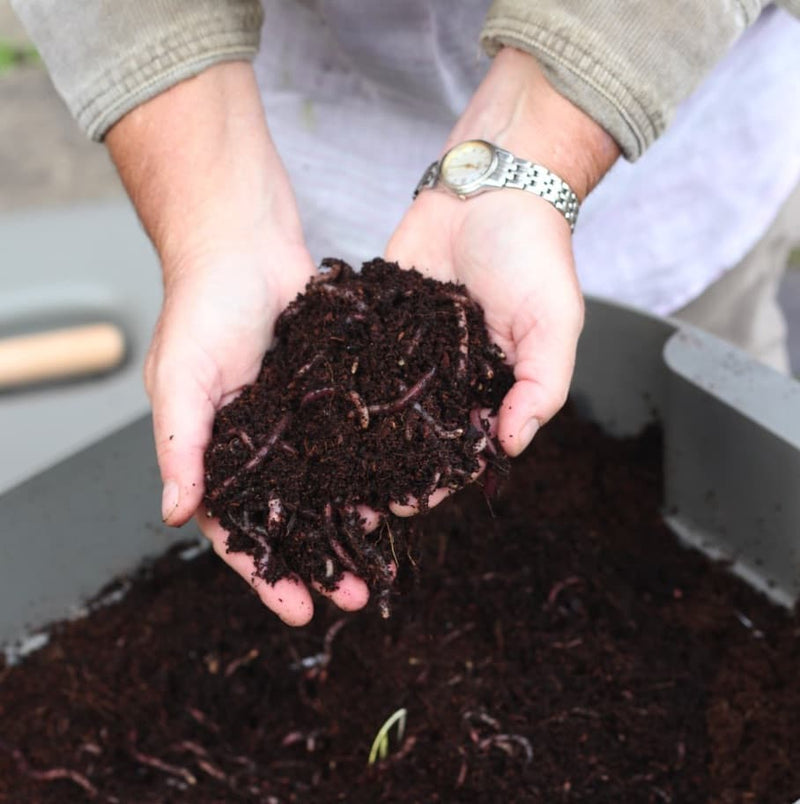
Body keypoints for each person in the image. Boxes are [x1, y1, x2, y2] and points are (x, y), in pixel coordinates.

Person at [12, 0, 800, 625]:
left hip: (670, 120)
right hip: (278, 137)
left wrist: (549, 128)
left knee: (726, 483)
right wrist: (214, 222)